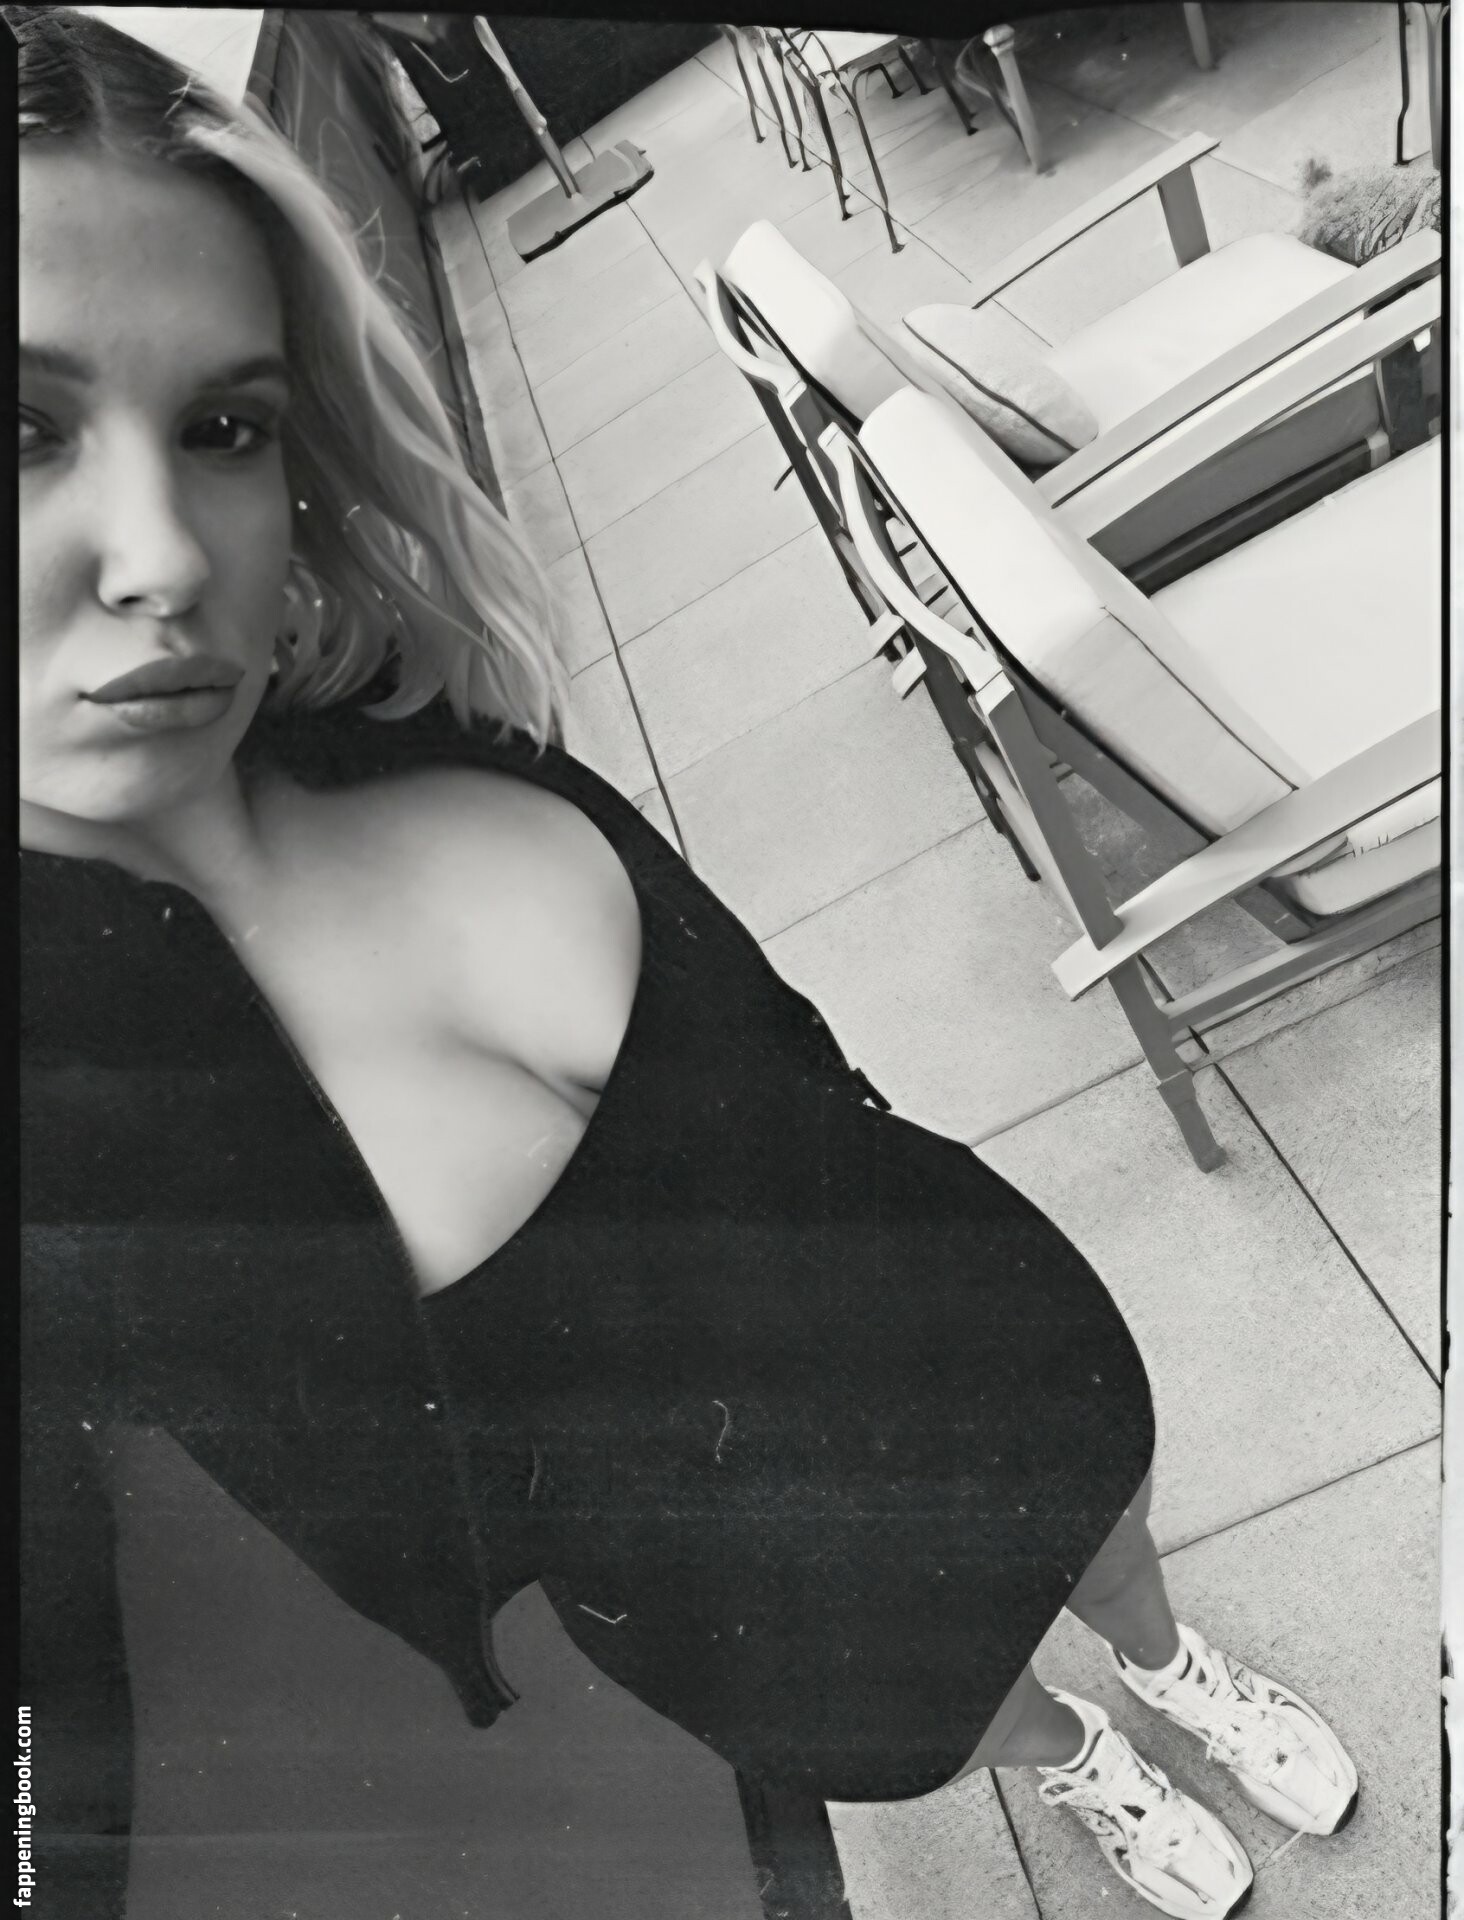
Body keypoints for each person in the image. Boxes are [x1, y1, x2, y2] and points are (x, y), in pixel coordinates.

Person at [16, 10, 1359, 1919]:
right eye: (22, 431)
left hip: (943, 1299)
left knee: (1095, 1507)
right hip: (738, 1578)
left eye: (221, 423)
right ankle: (1078, 1756)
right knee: (945, 1700)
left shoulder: (415, 715)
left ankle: (1163, 1661)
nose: (159, 553)